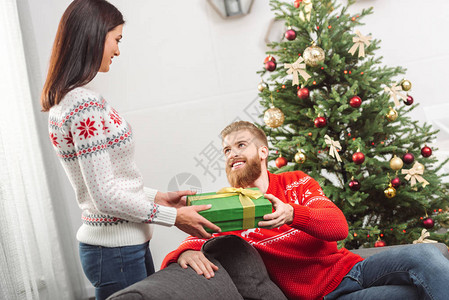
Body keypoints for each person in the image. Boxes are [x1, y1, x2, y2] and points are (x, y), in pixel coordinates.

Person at [41, 0, 220, 299]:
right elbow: (105, 196)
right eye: (117, 39)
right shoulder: (83, 105)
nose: (118, 50)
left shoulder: (72, 101)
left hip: (119, 249)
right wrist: (172, 216)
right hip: (116, 253)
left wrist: (157, 197)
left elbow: (110, 183)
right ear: (94, 36)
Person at [161, 121, 449, 300]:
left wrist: (292, 213)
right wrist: (183, 252)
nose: (232, 153)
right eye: (226, 150)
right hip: (322, 296)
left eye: (241, 145)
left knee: (425, 253)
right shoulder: (228, 206)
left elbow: (338, 227)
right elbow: (193, 236)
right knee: (413, 295)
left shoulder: (295, 182)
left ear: (263, 152)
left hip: (352, 270)